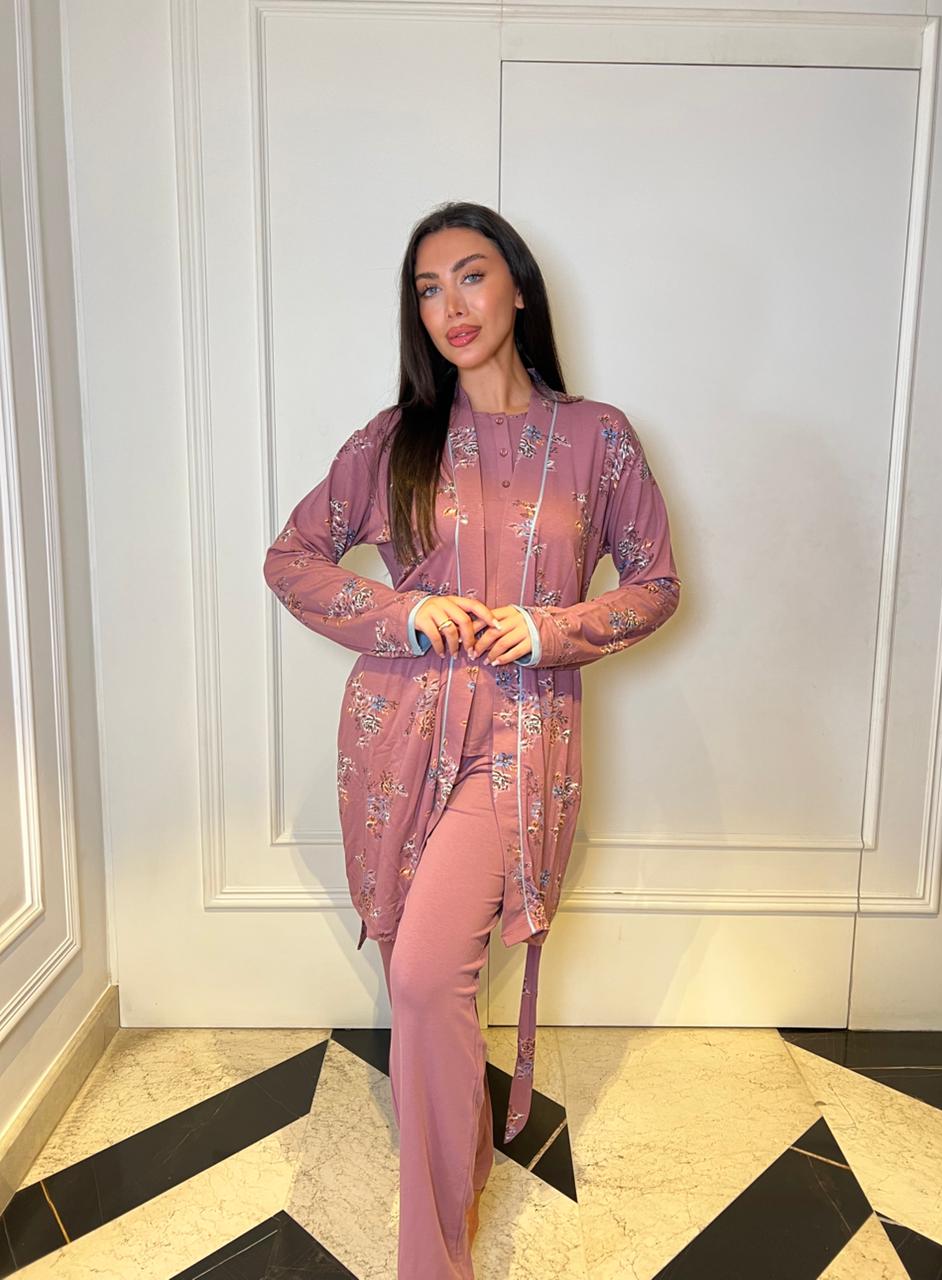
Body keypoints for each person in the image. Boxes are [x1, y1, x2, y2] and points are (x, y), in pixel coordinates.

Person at [263, 201, 682, 1279]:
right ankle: (458, 1162)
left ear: (519, 289)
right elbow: (294, 558)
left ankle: (431, 1260)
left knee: (419, 977)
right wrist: (399, 611)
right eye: (427, 288)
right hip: (398, 737)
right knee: (427, 976)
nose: (450, 305)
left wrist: (552, 628)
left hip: (520, 744)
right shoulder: (394, 440)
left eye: (471, 276)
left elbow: (657, 582)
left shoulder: (599, 438)